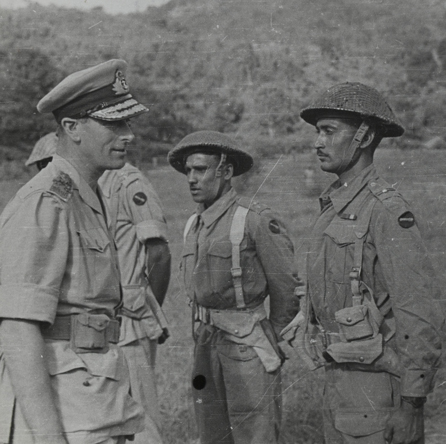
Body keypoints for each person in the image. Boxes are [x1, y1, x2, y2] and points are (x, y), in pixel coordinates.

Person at [283, 82, 443, 444]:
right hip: (338, 379)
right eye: (317, 132)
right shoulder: (332, 209)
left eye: (329, 131)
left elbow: (419, 312)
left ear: (365, 136)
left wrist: (412, 405)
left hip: (377, 387)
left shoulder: (385, 210)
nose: (317, 143)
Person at [0, 59, 148, 444]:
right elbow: (17, 328)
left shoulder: (87, 195)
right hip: (61, 413)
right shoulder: (46, 201)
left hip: (94, 398)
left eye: (128, 122)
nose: (128, 134)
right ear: (72, 128)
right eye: (114, 123)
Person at [168, 130, 300, 444]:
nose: (191, 178)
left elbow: (288, 289)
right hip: (206, 343)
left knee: (254, 431)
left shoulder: (253, 220)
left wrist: (272, 341)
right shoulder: (193, 224)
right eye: (188, 170)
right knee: (211, 430)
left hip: (248, 345)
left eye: (200, 169)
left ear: (226, 172)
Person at [98, 162, 171, 444]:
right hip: (99, 319)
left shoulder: (128, 182)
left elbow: (160, 254)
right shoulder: (91, 181)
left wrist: (142, 308)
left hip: (129, 320)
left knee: (140, 416)